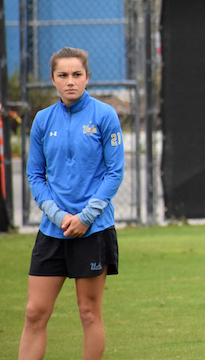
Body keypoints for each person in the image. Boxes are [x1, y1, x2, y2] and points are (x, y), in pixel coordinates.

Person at [19, 47, 125, 360]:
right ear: (52, 79)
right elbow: (35, 175)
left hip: (93, 231)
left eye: (77, 75)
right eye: (63, 75)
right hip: (53, 231)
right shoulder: (42, 120)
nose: (70, 81)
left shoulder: (104, 115)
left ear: (87, 78)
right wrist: (58, 214)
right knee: (34, 312)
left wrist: (86, 217)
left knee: (89, 313)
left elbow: (114, 172)